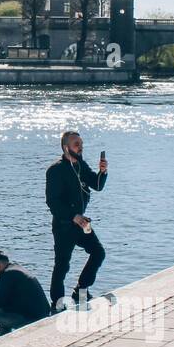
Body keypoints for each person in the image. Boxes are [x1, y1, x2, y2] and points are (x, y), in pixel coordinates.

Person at [45, 130, 109, 309]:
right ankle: (57, 304)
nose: (80, 148)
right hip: (64, 225)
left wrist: (102, 172)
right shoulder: (55, 170)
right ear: (66, 148)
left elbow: (97, 186)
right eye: (76, 144)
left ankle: (81, 291)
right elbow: (52, 203)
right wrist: (73, 216)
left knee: (98, 253)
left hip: (82, 224)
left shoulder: (81, 165)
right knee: (62, 265)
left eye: (81, 144)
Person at [0, 250, 51, 343]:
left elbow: (1, 302)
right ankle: (1, 338)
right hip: (41, 316)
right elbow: (7, 300)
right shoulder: (15, 269)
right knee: (4, 310)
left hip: (33, 321)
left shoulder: (7, 275)